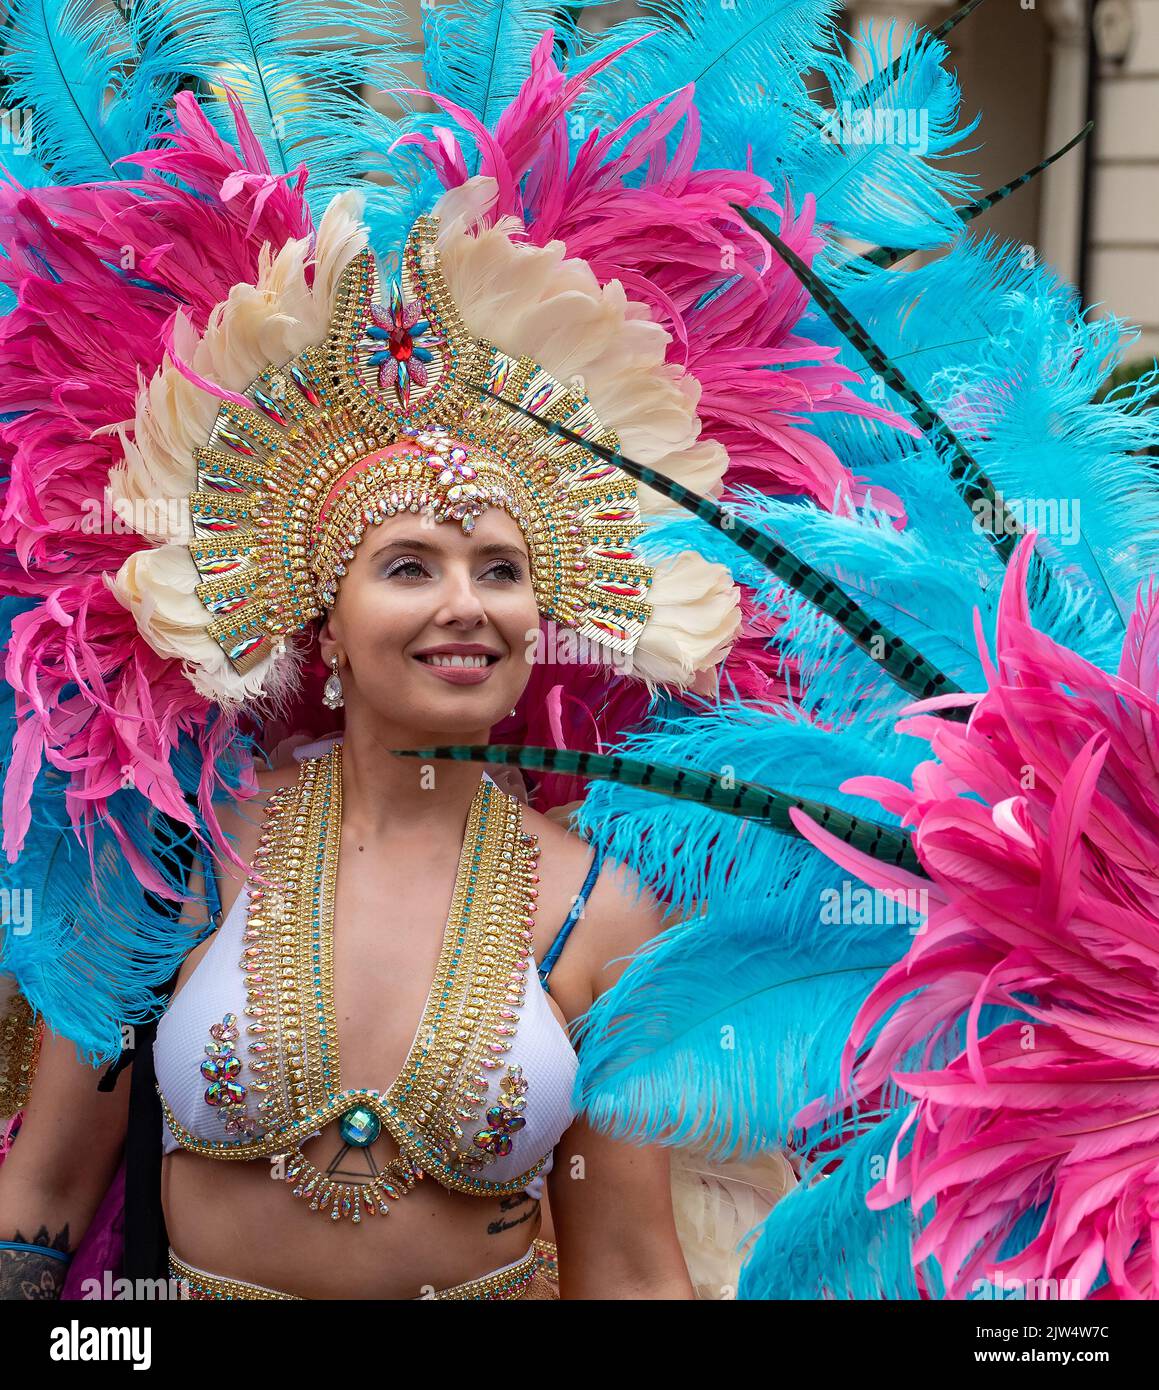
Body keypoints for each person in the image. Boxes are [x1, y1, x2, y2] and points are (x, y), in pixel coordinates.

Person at [4, 0, 1156, 1305]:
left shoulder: (603, 907)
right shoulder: (172, 854)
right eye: (409, 567)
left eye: (503, 569)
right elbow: (38, 1205)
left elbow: (623, 1262)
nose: (466, 606)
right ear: (317, 611)